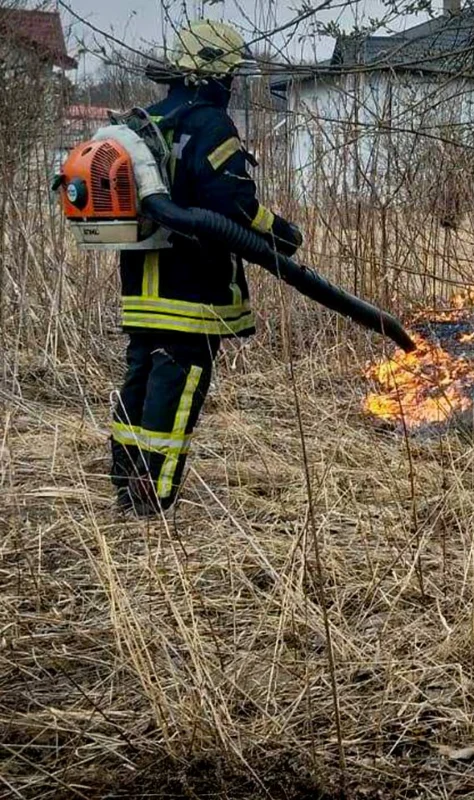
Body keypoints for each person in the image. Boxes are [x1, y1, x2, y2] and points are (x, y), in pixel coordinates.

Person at [110, 20, 302, 515]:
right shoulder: (209, 123)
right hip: (191, 289)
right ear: (214, 75)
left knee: (141, 375)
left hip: (142, 285)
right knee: (177, 385)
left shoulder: (145, 121)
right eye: (230, 74)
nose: (232, 83)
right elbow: (232, 203)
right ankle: (152, 498)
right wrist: (281, 233)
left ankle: (125, 482)